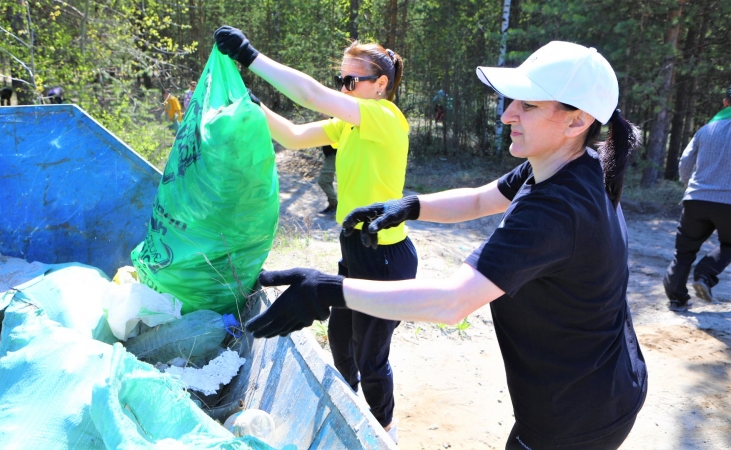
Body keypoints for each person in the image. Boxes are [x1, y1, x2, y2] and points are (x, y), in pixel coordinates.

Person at [248, 41, 648, 449]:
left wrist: (327, 290)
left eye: (528, 106)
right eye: (513, 102)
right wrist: (411, 206)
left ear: (576, 121)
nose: (508, 113)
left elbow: (452, 302)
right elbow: (480, 199)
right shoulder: (570, 162)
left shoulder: (556, 209)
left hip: (576, 412)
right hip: (597, 381)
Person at [214, 26, 412, 443]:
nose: (342, 87)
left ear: (380, 85)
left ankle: (384, 430)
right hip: (354, 252)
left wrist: (251, 56)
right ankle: (350, 414)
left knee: (371, 355)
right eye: (341, 80)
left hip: (386, 259)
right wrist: (253, 104)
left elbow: (312, 94)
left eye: (350, 81)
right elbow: (293, 134)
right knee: (341, 342)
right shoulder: (351, 126)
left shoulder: (385, 118)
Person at [663, 84, 731, 311]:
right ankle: (705, 274)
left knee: (684, 251)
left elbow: (685, 163)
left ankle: (677, 298)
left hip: (696, 199)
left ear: (725, 102)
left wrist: (691, 189)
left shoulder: (705, 129)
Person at [317, 144, 338, 214]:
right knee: (328, 181)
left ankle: (336, 204)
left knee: (323, 181)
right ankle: (332, 205)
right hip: (330, 156)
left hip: (334, 155)